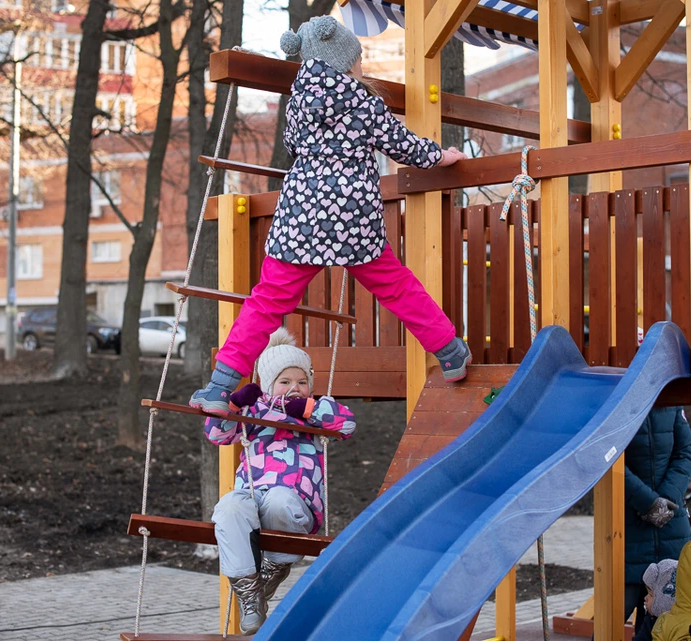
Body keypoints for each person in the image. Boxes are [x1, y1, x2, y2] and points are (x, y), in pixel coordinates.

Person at [190, 15, 470, 415]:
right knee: (396, 285)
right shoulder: (362, 101)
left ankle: (220, 387)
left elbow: (291, 143)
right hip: (353, 218)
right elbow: (400, 144)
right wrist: (441, 156)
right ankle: (450, 351)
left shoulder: (298, 101)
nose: (361, 67)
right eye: (358, 60)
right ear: (344, 61)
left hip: (300, 215)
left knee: (266, 300)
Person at [206, 328, 356, 634]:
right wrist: (235, 404)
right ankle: (250, 593)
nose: (295, 389)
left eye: (302, 382)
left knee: (278, 500)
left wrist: (307, 409)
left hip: (294, 501)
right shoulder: (253, 411)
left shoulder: (315, 412)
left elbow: (347, 423)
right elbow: (216, 433)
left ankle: (273, 567)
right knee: (228, 508)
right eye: (285, 382)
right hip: (251, 492)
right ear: (267, 385)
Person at [623, 403, 691, 632]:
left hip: (671, 521)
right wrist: (647, 502)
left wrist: (666, 500)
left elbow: (685, 452)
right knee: (614, 614)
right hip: (627, 523)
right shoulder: (616, 400)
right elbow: (606, 457)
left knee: (663, 620)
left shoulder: (670, 402)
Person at [633, 558, 678, 641]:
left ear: (665, 599)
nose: (645, 598)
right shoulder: (650, 620)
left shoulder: (681, 625)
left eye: (651, 595)